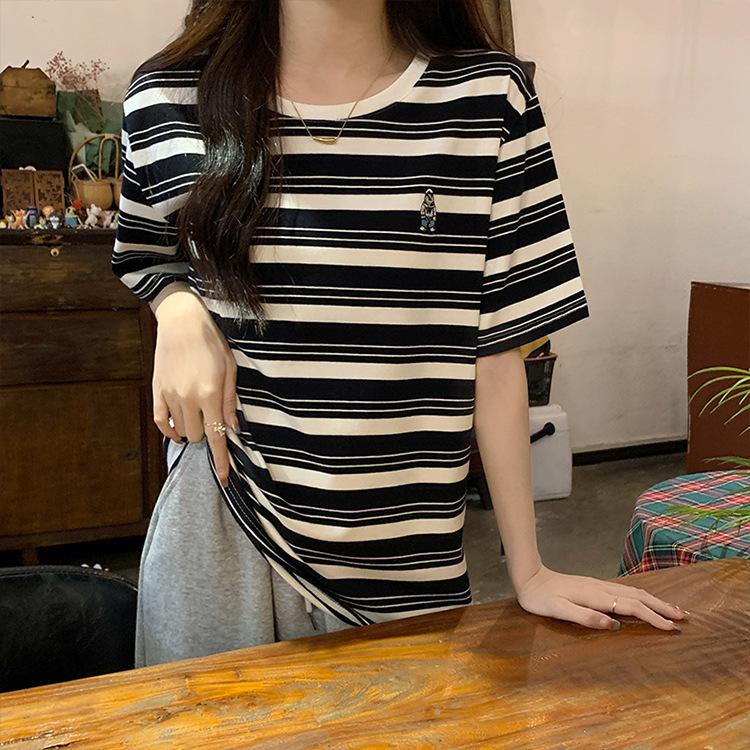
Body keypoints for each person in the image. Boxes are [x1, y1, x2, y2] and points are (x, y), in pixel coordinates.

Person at [113, 0, 688, 667]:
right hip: (226, 527)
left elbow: (495, 346)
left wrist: (528, 568)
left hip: (411, 564)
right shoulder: (168, 98)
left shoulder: (488, 99)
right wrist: (177, 310)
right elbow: (145, 255)